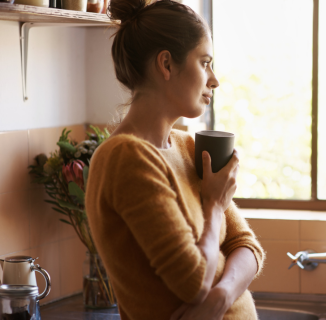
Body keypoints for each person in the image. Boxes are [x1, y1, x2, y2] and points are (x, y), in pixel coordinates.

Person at [84, 0, 265, 319]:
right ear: (166, 64)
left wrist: (221, 297)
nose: (214, 80)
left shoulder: (187, 146)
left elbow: (247, 246)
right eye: (205, 62)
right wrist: (213, 205)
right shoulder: (126, 157)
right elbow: (194, 282)